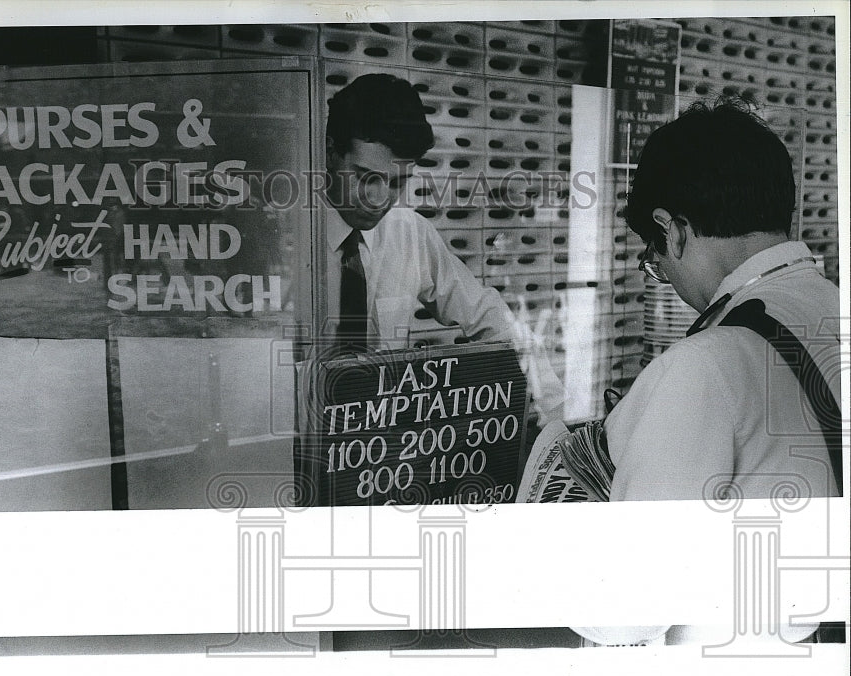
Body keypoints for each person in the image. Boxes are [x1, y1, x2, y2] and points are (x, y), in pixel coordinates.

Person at [605, 97, 841, 502]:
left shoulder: (701, 365)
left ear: (672, 230)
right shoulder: (835, 304)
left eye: (656, 261)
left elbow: (640, 556)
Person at [320, 73, 564, 419]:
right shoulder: (287, 237)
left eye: (397, 183)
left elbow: (488, 317)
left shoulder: (411, 233)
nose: (379, 200)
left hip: (378, 448)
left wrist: (554, 411)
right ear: (332, 152)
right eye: (365, 177)